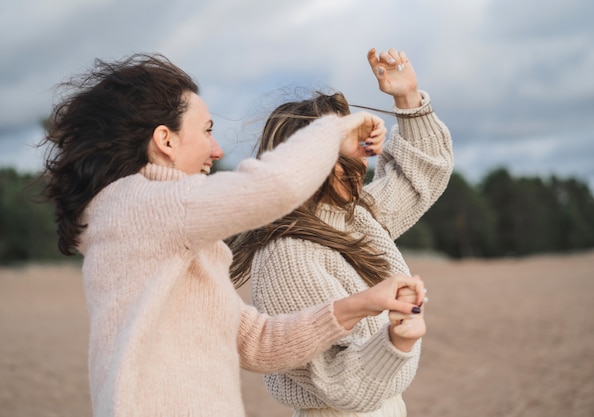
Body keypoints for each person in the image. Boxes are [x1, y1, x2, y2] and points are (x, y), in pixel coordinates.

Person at [38, 53, 427, 417]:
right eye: (206, 131)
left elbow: (256, 342)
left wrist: (362, 304)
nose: (217, 149)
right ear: (165, 140)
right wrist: (336, 129)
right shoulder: (142, 207)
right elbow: (275, 188)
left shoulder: (168, 229)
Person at [228, 47, 454, 417]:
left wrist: (407, 98)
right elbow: (341, 385)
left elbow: (419, 177)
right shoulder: (287, 253)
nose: (366, 155)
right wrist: (396, 340)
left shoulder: (351, 216)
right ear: (313, 156)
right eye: (352, 144)